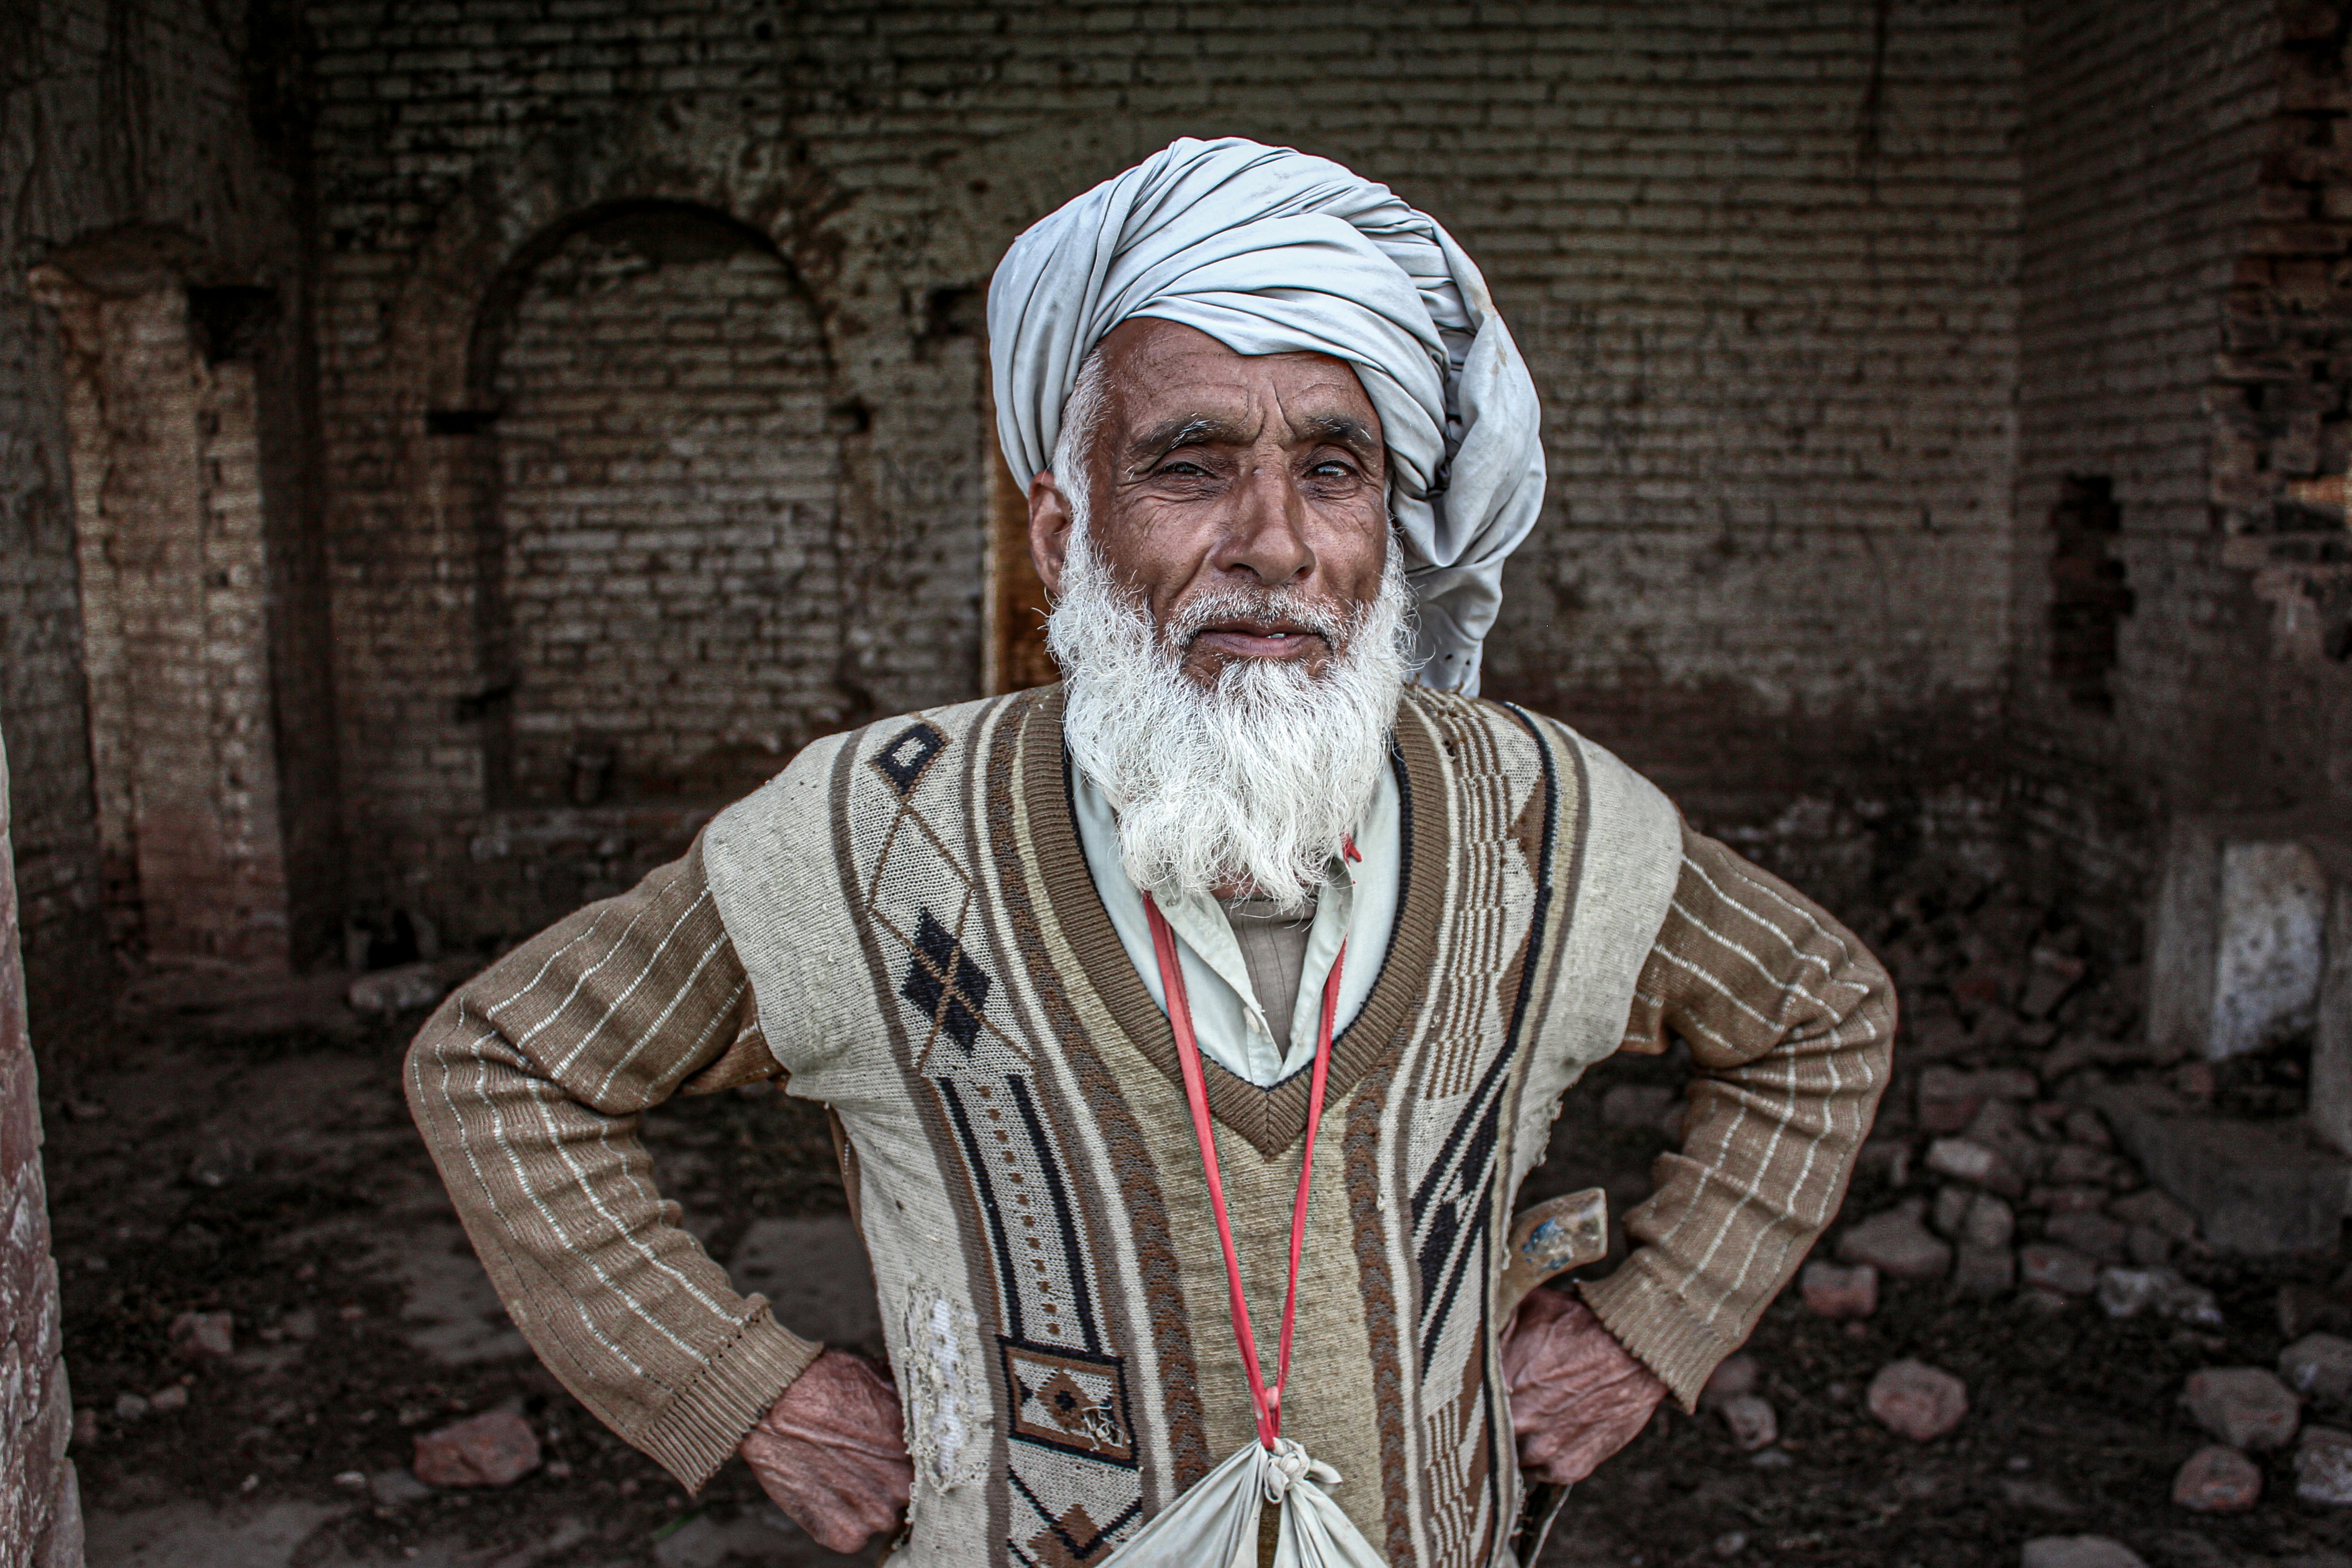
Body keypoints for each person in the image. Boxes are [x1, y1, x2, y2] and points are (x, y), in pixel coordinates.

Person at [407, 137, 1892, 1568]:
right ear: (1061, 533)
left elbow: (1821, 1014)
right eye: (1191, 467)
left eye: (1334, 470)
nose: (1273, 542)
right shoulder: (871, 832)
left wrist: (1653, 1325)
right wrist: (746, 1392)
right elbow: (504, 1064)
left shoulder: (1548, 821)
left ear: (1391, 523)